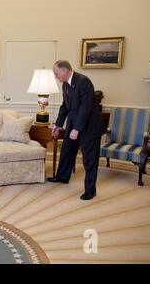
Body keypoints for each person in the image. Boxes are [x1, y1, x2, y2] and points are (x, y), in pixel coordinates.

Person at [48, 60, 107, 200]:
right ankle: (62, 176)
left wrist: (77, 129)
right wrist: (58, 124)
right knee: (67, 151)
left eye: (56, 73)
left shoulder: (83, 81)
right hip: (74, 124)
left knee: (89, 160)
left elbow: (85, 108)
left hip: (89, 127)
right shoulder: (65, 85)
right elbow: (65, 106)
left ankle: (90, 190)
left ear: (64, 71)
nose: (56, 77)